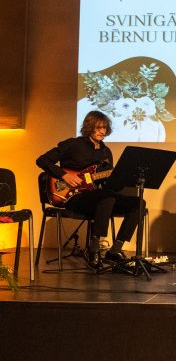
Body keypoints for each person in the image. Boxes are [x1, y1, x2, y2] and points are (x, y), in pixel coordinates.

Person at [36, 110, 145, 268]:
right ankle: (94, 250)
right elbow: (42, 160)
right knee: (106, 198)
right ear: (89, 127)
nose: (102, 131)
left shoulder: (106, 152)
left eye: (105, 128)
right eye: (98, 127)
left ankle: (115, 250)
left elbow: (109, 185)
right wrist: (64, 175)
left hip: (98, 196)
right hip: (73, 196)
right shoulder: (73, 144)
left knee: (138, 203)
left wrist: (123, 178)